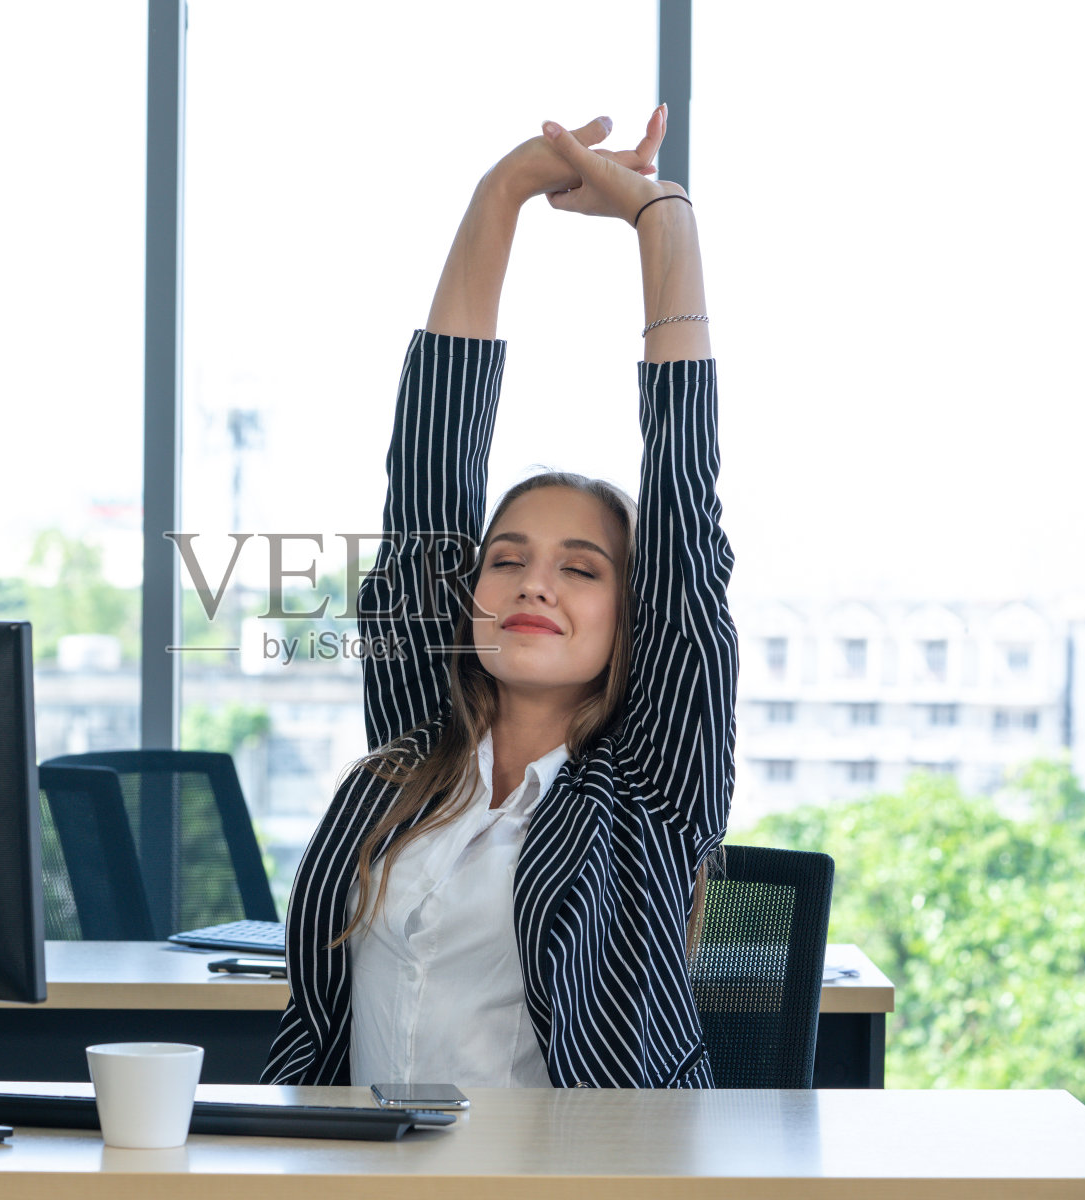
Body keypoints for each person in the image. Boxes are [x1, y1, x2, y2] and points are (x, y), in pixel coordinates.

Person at [261, 105, 736, 1090]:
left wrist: (663, 220)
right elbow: (428, 479)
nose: (533, 582)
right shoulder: (410, 761)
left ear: (633, 617)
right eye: (507, 558)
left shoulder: (646, 783)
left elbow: (686, 508)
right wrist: (500, 194)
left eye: (581, 567)